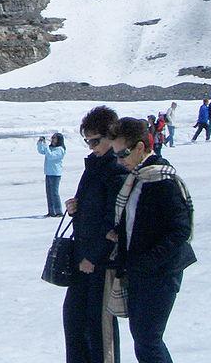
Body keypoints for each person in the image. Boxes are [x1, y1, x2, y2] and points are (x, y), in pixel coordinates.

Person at [110, 117, 196, 363]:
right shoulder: (136, 178)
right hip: (140, 271)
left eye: (123, 154)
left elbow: (180, 231)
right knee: (143, 338)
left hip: (161, 273)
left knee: (148, 339)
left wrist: (147, 262)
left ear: (140, 148)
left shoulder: (162, 181)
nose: (120, 161)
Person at [63, 105, 127, 363]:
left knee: (99, 328)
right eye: (87, 141)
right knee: (75, 322)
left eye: (96, 141)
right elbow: (92, 210)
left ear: (112, 136)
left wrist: (96, 256)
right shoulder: (94, 166)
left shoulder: (117, 169)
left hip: (100, 263)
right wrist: (74, 208)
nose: (91, 146)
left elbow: (114, 221)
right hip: (82, 258)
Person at [37, 133, 66, 216]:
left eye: (54, 138)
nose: (52, 139)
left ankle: (58, 211)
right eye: (52, 138)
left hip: (55, 174)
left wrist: (46, 146)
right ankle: (51, 211)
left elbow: (50, 156)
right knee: (49, 193)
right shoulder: (51, 148)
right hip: (48, 173)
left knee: (54, 193)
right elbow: (42, 151)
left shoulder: (60, 149)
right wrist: (40, 143)